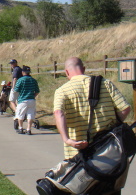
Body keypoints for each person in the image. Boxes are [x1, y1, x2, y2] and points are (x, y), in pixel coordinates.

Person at [53, 57, 131, 194]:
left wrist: (67, 139)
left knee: (83, 189)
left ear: (66, 72)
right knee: (110, 189)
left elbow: (59, 113)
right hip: (110, 151)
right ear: (83, 69)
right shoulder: (105, 83)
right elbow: (125, 109)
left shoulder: (62, 91)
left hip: (79, 156)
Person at [13, 66, 40, 135]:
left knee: (20, 115)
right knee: (30, 115)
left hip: (22, 100)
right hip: (31, 100)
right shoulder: (33, 80)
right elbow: (37, 91)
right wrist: (32, 96)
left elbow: (16, 90)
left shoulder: (20, 80)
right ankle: (28, 129)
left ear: (23, 72)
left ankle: (21, 128)